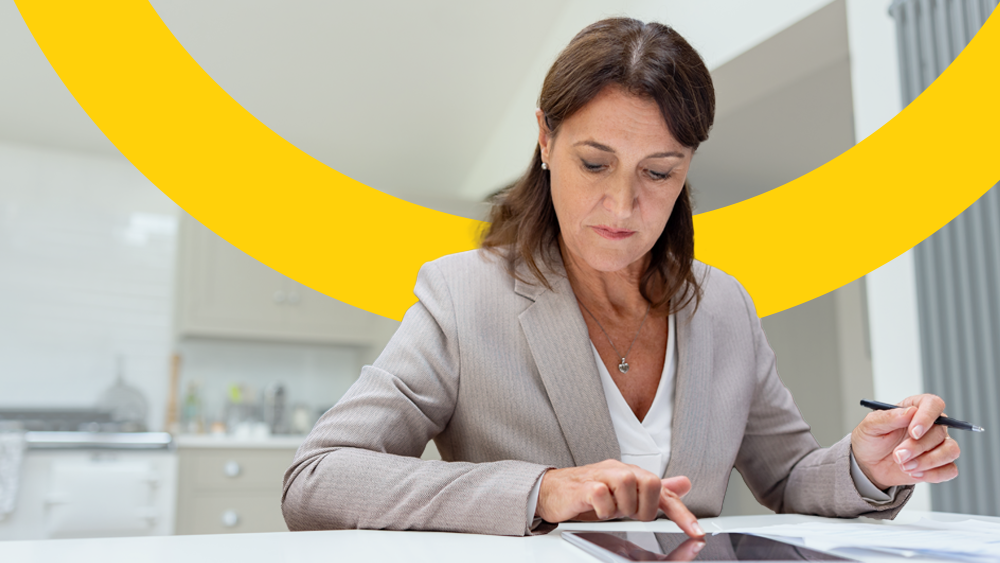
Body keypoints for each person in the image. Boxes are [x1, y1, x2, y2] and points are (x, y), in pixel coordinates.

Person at [281, 17, 960, 539]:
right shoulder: (462, 296)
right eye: (595, 163)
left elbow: (786, 477)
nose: (623, 205)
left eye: (658, 172)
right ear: (545, 141)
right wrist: (540, 490)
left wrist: (868, 464)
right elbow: (316, 479)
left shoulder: (723, 305)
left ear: (687, 166)